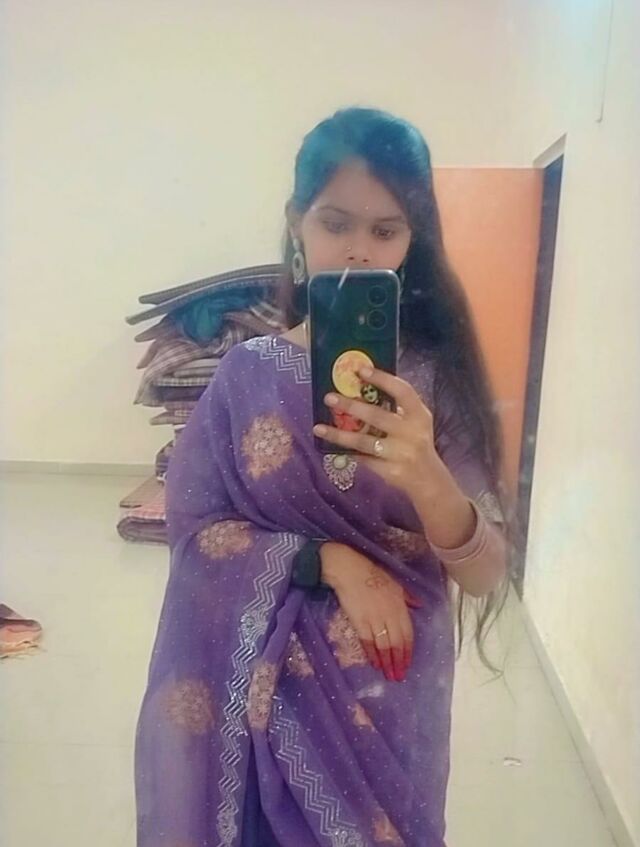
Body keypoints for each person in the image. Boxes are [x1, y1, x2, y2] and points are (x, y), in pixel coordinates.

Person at [135, 106, 514, 847]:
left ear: (413, 240)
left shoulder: (436, 383)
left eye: (386, 230)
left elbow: (486, 573)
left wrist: (429, 477)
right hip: (260, 698)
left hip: (389, 695)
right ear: (297, 225)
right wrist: (324, 558)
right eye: (336, 222)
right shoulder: (245, 376)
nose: (359, 250)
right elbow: (196, 529)